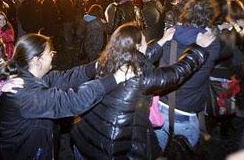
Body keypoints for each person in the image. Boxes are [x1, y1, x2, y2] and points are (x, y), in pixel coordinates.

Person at [71, 23, 214, 159]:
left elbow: (142, 58)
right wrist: (198, 49)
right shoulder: (139, 79)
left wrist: (163, 40)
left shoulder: (107, 62)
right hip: (109, 149)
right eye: (145, 40)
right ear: (138, 46)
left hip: (84, 139)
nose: (147, 42)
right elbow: (176, 74)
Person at [0, 33, 131, 159]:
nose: (53, 55)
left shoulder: (32, 76)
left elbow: (67, 78)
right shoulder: (23, 92)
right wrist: (116, 78)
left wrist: (98, 64)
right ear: (37, 60)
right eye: (50, 53)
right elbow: (71, 101)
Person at [155, 0, 221, 149]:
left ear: (186, 12)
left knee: (157, 152)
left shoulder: (170, 34)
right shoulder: (212, 43)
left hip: (161, 106)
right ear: (211, 16)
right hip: (186, 112)